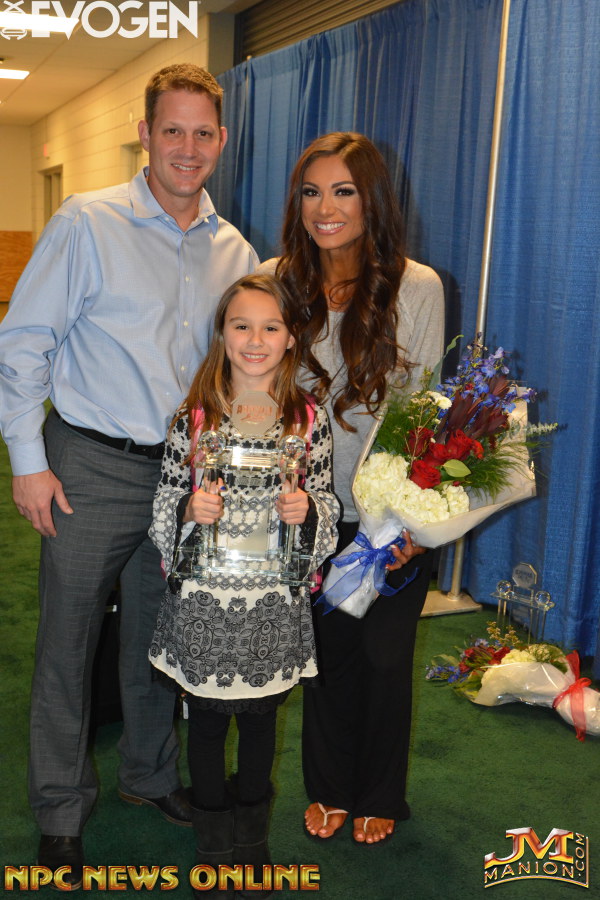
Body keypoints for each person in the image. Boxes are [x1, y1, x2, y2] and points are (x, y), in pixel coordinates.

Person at [0, 64, 258, 886]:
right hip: (88, 466)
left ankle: (148, 776)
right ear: (145, 134)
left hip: (182, 478)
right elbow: (23, 343)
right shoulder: (87, 221)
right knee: (67, 645)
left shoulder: (236, 249)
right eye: (172, 129)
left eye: (203, 132)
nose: (187, 147)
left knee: (159, 638)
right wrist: (29, 463)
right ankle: (60, 811)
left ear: (222, 140)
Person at [260, 132, 444, 845]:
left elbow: (419, 407)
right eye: (311, 192)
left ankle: (380, 793)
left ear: (373, 201)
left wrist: (405, 524)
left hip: (389, 513)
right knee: (329, 655)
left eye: (343, 191)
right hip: (306, 510)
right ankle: (331, 789)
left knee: (384, 655)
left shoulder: (416, 286)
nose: (325, 207)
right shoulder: (275, 280)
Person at [148, 272, 338, 898]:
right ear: (222, 334)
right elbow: (165, 498)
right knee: (204, 725)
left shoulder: (308, 419)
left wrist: (306, 512)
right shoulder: (193, 418)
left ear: (291, 338)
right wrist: (187, 510)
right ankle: (212, 844)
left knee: (260, 727)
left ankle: (252, 845)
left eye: (270, 327)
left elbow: (327, 501)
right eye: (241, 326)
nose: (256, 340)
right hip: (205, 600)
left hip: (271, 604)